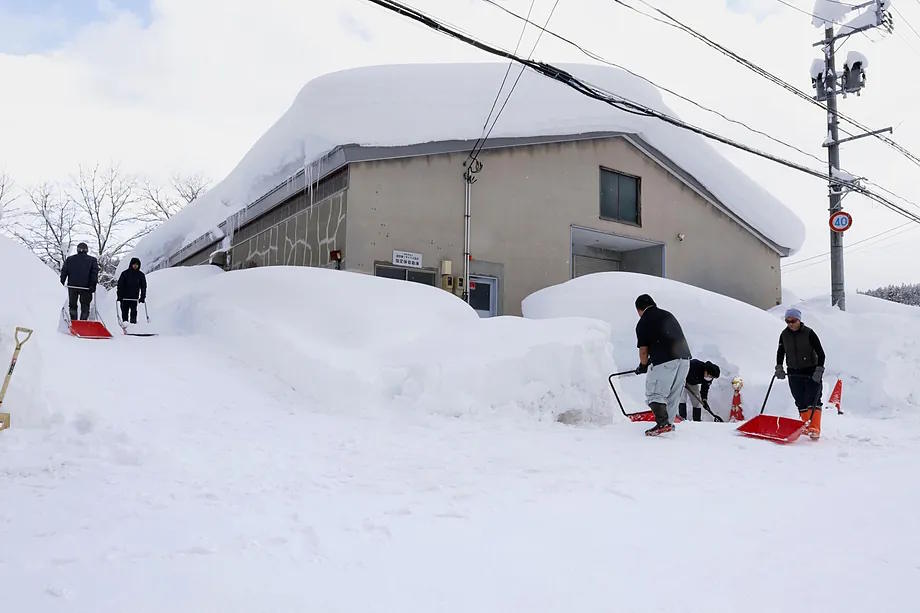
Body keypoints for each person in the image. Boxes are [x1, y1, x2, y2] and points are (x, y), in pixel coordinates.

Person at [634, 294, 692, 436]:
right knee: (674, 393)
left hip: (664, 360)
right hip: (684, 359)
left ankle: (662, 423)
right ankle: (668, 424)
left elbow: (643, 350)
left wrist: (643, 365)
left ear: (639, 309)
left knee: (655, 393)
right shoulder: (667, 315)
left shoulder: (644, 322)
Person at [775, 307, 826, 440]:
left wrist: (819, 370)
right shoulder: (784, 335)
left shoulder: (809, 333)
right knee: (800, 399)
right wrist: (779, 367)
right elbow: (780, 353)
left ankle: (814, 427)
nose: (790, 323)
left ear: (799, 320)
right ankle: (805, 426)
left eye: (793, 320)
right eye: (788, 321)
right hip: (793, 371)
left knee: (813, 398)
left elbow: (821, 353)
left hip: (810, 370)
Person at [60, 242, 99, 321]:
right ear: (86, 250)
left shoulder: (70, 259)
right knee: (85, 306)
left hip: (72, 286)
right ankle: (83, 323)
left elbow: (64, 272)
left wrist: (61, 283)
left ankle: (74, 321)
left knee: (72, 305)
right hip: (86, 287)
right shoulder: (92, 260)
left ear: (77, 250)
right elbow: (94, 274)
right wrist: (93, 285)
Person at [116, 258, 147, 325]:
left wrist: (142, 297)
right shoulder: (125, 274)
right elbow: (120, 286)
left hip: (134, 298)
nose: (135, 266)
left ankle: (133, 326)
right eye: (134, 264)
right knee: (124, 313)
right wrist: (119, 296)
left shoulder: (141, 275)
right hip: (124, 298)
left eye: (137, 264)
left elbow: (143, 287)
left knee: (133, 312)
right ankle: (125, 326)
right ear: (131, 264)